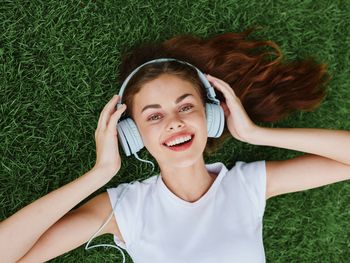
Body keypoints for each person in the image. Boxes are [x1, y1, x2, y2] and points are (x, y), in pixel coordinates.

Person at [1, 27, 350, 263]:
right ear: (132, 135)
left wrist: (256, 134)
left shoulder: (246, 186)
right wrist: (100, 173)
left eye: (186, 107)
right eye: (153, 117)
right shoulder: (125, 209)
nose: (174, 122)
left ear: (211, 116)